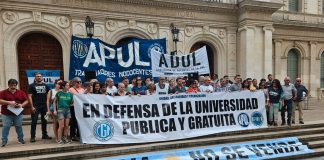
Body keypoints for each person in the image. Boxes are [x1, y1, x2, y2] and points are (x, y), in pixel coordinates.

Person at [0, 79, 28, 147]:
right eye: (11, 85)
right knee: (6, 127)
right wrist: (9, 102)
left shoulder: (21, 92)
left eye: (14, 85)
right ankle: (4, 141)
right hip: (6, 114)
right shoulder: (3, 92)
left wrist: (22, 105)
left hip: (18, 113)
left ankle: (21, 139)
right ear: (8, 85)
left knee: (19, 126)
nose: (13, 87)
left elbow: (27, 100)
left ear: (16, 85)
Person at [28, 72, 51, 143]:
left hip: (44, 106)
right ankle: (32, 137)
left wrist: (48, 107)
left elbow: (48, 96)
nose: (39, 77)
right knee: (34, 122)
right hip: (35, 106)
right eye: (37, 76)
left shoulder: (46, 85)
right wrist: (32, 106)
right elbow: (29, 96)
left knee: (44, 121)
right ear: (35, 77)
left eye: (40, 76)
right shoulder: (31, 86)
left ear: (42, 77)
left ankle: (44, 135)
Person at [68, 77, 85, 141]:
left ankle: (79, 133)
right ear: (74, 82)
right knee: (73, 121)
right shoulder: (71, 89)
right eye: (78, 82)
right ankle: (72, 135)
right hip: (73, 107)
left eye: (80, 82)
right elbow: (69, 98)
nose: (80, 83)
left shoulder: (82, 90)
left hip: (81, 107)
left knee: (80, 121)